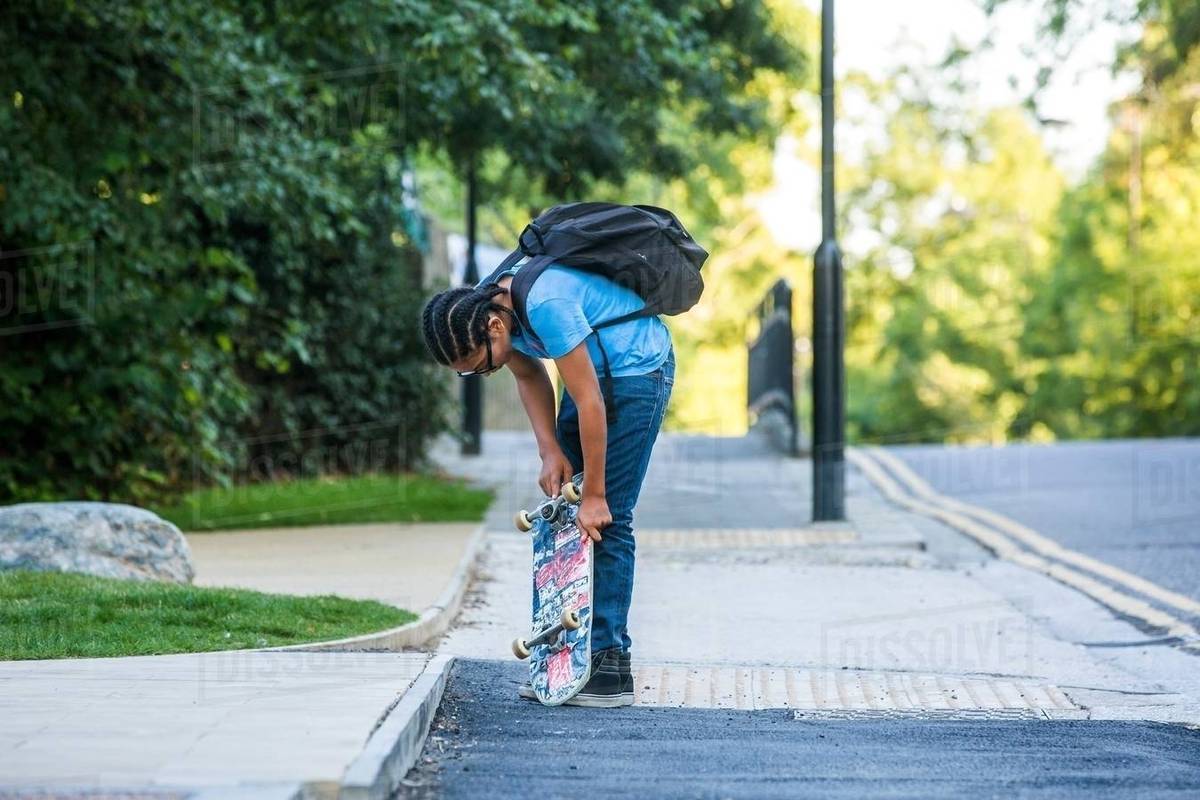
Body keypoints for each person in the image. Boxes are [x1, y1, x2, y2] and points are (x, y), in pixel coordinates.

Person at [420, 259, 675, 707]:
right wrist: (550, 449)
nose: (480, 374)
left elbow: (590, 402)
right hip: (593, 376)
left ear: (494, 328)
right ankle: (566, 654)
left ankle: (610, 665)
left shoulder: (545, 303)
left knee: (606, 518)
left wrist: (594, 494)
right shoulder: (485, 303)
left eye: (478, 366)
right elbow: (528, 371)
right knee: (563, 520)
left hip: (636, 370)